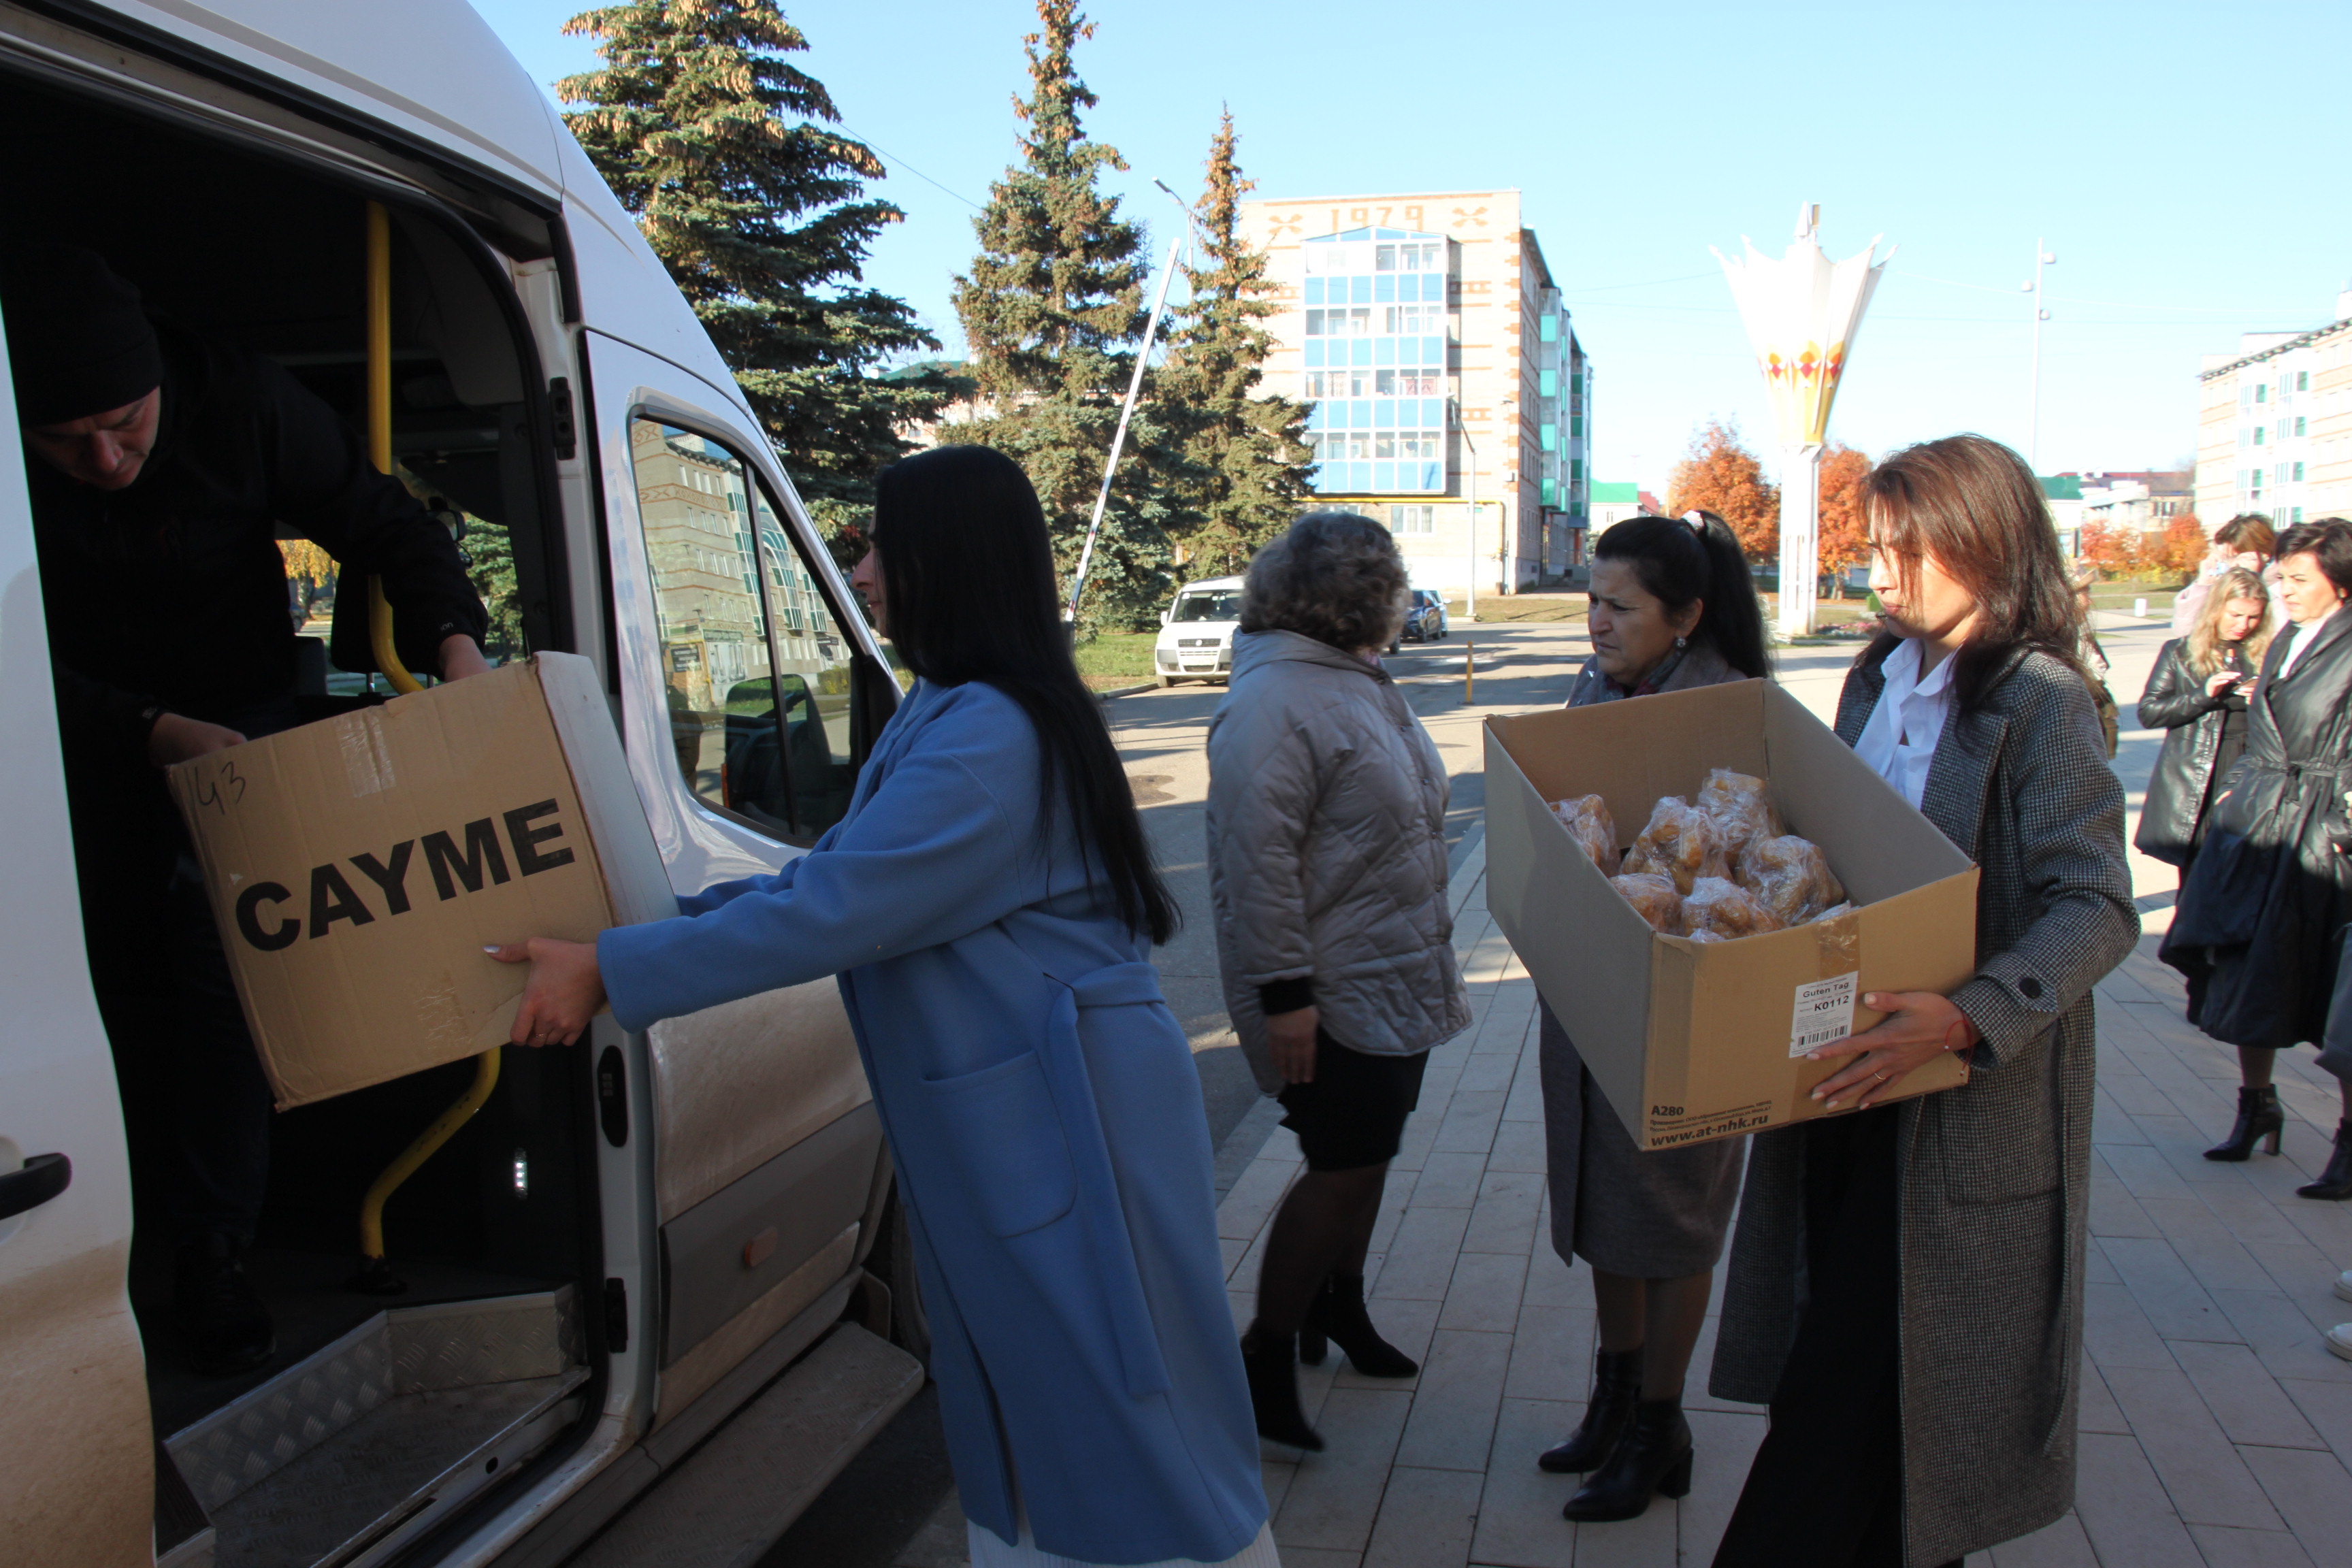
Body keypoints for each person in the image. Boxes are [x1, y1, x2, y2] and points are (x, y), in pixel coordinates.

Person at [494, 445, 1275, 1568]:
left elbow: (835, 905)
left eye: (874, 546)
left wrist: (614, 972)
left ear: (941, 562)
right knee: (1052, 1390)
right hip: (1026, 1111)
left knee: (1121, 1399)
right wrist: (641, 919)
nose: (858, 571)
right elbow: (832, 877)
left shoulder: (988, 735)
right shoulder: (959, 706)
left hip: (1067, 1124)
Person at [4, 244, 490, 1373]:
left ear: (161, 384)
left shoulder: (248, 403)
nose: (108, 456)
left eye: (126, 422)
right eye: (67, 442)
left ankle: (212, 1246)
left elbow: (390, 525)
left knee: (230, 974)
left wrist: (455, 646)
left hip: (240, 726)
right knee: (82, 973)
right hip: (59, 735)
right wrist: (138, 729)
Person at [1708, 434, 2137, 1568]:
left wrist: (1968, 1014)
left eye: (1909, 548)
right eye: (1873, 546)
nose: (1881, 571)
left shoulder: (2043, 700)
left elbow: (2096, 905)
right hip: (1846, 1081)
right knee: (1857, 1396)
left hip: (1960, 1104)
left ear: (1986, 546)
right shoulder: (1873, 676)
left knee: (1877, 1397)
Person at [1203, 511, 1469, 1453]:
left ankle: (1337, 1311)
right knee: (1341, 1167)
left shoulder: (1351, 679)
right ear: (1362, 598)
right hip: (1330, 991)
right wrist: (1286, 999)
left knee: (1369, 1159)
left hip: (1389, 970)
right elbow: (1254, 863)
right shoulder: (1279, 699)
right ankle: (1264, 1352)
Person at [1526, 512, 1769, 1522]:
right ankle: (1615, 1395)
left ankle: (1660, 1422)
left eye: (1619, 607)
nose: (1596, 621)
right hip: (1592, 996)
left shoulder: (1726, 709)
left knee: (1672, 1221)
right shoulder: (1602, 686)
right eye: (1591, 600)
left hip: (1688, 1009)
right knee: (1605, 1207)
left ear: (1686, 617)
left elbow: (1752, 864)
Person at [2164, 517, 2352, 1200]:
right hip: (2262, 818)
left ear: (2340, 579)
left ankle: (2347, 1139)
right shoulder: (2289, 640)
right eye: (2283, 577)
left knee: (2335, 986)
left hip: (2321, 833)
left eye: (2300, 579)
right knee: (2244, 965)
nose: (2286, 590)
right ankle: (2257, 1105)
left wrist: (2341, 824)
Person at [2133, 566, 2272, 885]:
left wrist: (2262, 702)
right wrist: (2203, 694)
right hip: (2198, 771)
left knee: (2244, 872)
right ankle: (2188, 934)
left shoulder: (2266, 654)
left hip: (2250, 765)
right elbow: (2150, 712)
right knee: (2197, 874)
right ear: (2217, 608)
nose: (2243, 626)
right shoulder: (2180, 652)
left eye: (2253, 618)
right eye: (2235, 615)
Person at [2171, 512, 2278, 635]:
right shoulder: (2225, 581)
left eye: (2236, 557)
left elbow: (2276, 636)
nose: (2230, 565)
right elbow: (2185, 633)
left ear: (2264, 556)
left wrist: (2253, 580)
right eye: (2226, 558)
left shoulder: (2282, 586)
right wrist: (2203, 585)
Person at [2070, 567, 2120, 759]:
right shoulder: (2056, 639)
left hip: (2095, 725)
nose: (2090, 600)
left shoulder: (2083, 633)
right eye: (2085, 592)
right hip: (2076, 736)